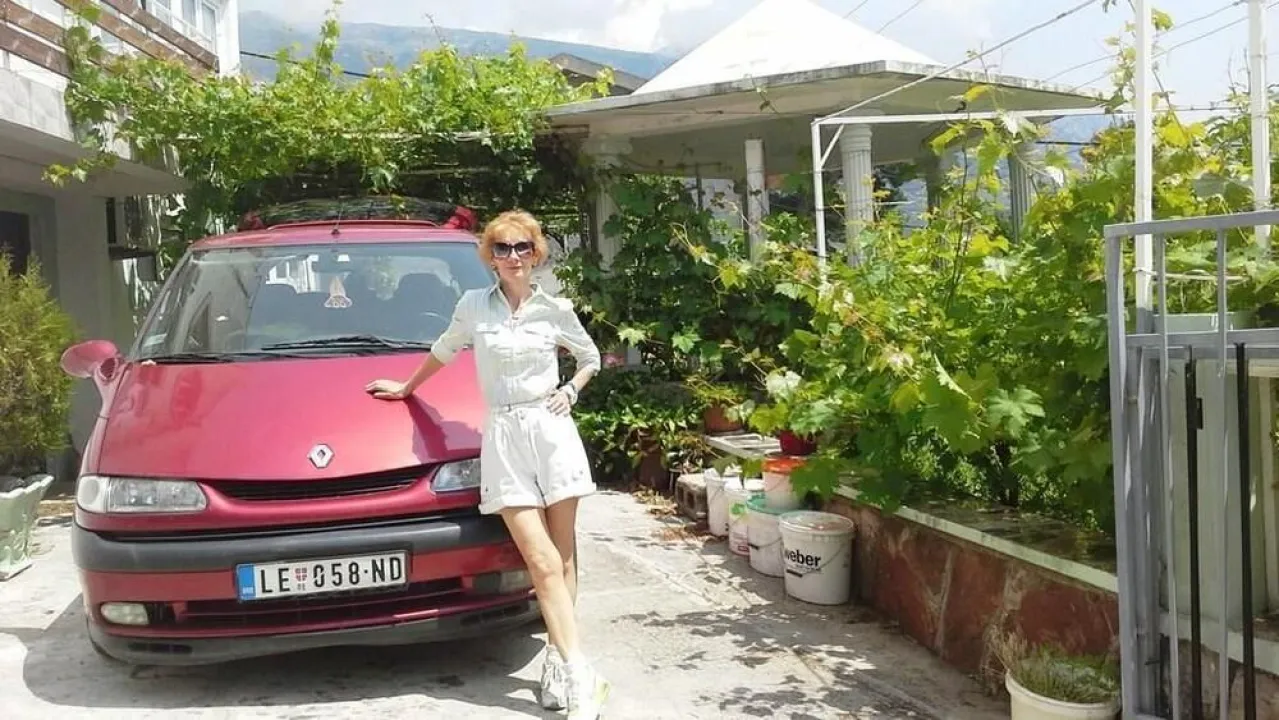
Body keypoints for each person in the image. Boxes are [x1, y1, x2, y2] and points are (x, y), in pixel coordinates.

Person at [364, 210, 608, 718]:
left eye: (522, 247)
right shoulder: (474, 306)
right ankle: (581, 673)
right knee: (540, 561)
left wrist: (570, 390)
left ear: (536, 254)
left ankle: (559, 661)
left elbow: (590, 358)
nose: (513, 257)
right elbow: (444, 349)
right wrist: (407, 388)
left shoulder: (556, 309)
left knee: (563, 558)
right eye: (502, 248)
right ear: (490, 257)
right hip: (504, 435)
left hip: (552, 431)